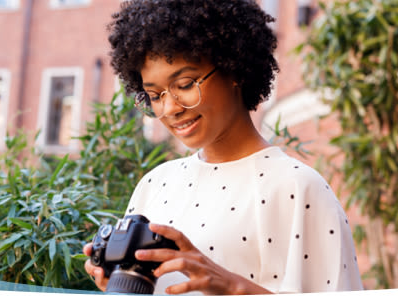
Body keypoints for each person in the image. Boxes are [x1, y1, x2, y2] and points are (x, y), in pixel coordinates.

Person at [83, 0, 363, 295]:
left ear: (235, 70)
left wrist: (233, 287)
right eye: (154, 95)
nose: (170, 108)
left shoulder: (297, 187)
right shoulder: (155, 184)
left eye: (186, 84)